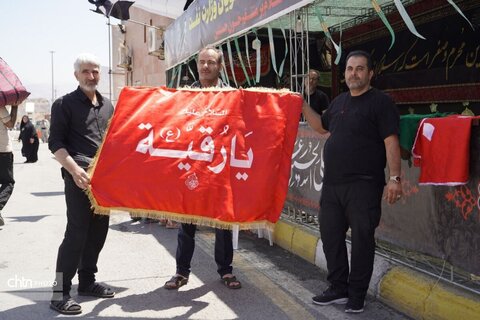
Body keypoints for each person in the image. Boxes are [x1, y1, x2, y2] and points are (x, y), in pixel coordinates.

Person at [302, 50, 402, 313]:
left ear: (370, 73)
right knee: (330, 236)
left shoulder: (381, 103)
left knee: (362, 240)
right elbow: (321, 127)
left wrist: (394, 178)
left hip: (364, 185)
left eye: (359, 69)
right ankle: (338, 288)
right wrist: (299, 104)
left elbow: (391, 141)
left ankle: (356, 295)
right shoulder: (338, 102)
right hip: (333, 185)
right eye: (349, 69)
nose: (353, 73)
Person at [164, 46, 241, 290]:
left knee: (223, 224)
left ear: (220, 66)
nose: (205, 66)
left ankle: (226, 271)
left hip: (220, 168)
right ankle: (181, 272)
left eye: (210, 62)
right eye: (202, 62)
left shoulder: (231, 95)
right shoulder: (186, 95)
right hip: (191, 167)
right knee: (187, 223)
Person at [48, 53, 115, 315]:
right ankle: (59, 293)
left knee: (98, 232)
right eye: (85, 71)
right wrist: (74, 171)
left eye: (95, 71)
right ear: (76, 75)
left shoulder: (108, 105)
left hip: (103, 182)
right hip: (78, 178)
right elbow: (56, 143)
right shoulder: (64, 104)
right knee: (77, 233)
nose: (91, 76)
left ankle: (87, 281)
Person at [0, 104, 18, 226]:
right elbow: (10, 124)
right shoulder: (0, 107)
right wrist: (15, 107)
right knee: (8, 182)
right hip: (3, 151)